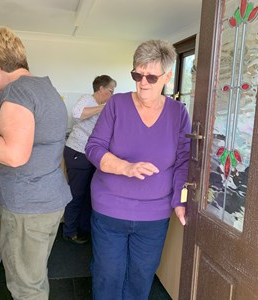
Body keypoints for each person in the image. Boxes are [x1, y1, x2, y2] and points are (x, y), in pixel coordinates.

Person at [0, 27, 72, 300]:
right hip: (47, 200)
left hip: (28, 207)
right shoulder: (44, 86)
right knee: (33, 277)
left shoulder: (17, 92)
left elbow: (14, 154)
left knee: (25, 288)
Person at [85, 40, 191, 300]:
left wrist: (180, 200)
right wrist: (126, 167)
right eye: (137, 75)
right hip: (110, 209)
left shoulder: (179, 113)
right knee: (107, 274)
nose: (143, 82)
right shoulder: (117, 105)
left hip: (153, 216)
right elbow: (94, 148)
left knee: (141, 275)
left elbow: (184, 160)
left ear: (167, 77)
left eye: (151, 77)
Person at [63, 75, 117, 244]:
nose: (112, 95)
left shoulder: (103, 106)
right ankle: (69, 231)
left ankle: (84, 229)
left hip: (92, 155)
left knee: (88, 194)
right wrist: (103, 106)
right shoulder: (87, 99)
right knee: (76, 193)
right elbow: (77, 114)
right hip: (78, 152)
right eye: (110, 91)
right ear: (101, 89)